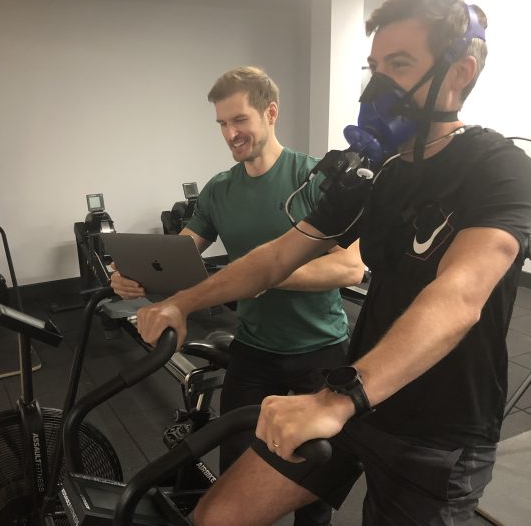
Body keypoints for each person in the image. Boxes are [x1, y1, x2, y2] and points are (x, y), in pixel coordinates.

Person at [136, 0, 531, 526]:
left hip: (437, 431)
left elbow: (459, 296)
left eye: (399, 64)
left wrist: (337, 399)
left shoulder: (498, 166)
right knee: (217, 517)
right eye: (375, 65)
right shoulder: (379, 174)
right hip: (357, 399)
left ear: (461, 72)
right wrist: (183, 301)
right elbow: (277, 256)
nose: (378, 84)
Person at [111, 66, 365, 526]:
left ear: (270, 113)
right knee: (234, 478)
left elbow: (350, 267)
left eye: (239, 120)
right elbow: (179, 256)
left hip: (320, 349)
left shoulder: (315, 179)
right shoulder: (220, 189)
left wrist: (263, 273)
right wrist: (135, 278)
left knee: (312, 488)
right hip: (254, 347)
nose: (230, 133)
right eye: (222, 124)